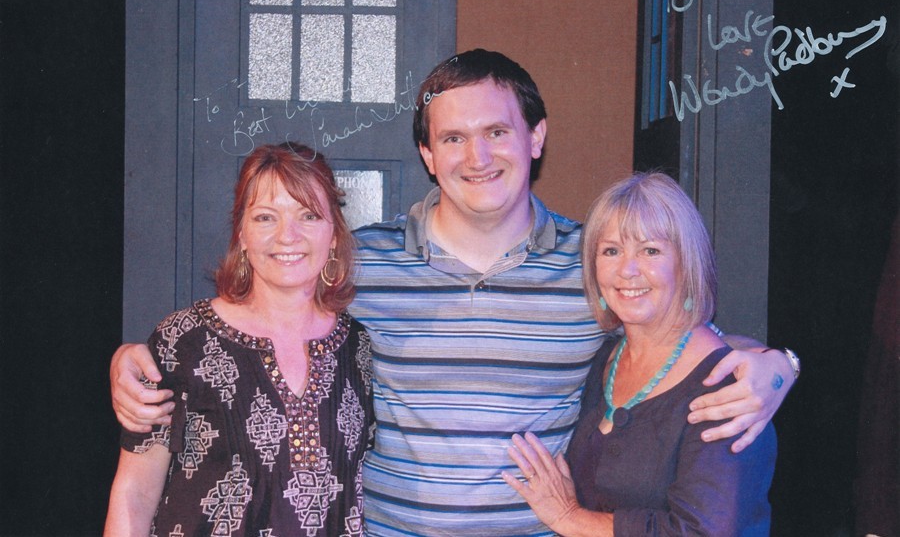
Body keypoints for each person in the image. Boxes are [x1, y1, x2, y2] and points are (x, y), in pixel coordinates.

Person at [110, 50, 795, 536]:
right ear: (429, 156)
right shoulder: (361, 264)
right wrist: (132, 360)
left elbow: (673, 335)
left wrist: (772, 364)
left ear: (536, 137)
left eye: (497, 132)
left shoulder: (593, 264)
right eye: (454, 138)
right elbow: (256, 319)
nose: (477, 157)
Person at [104, 143, 375, 536]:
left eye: (308, 215)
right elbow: (134, 493)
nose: (287, 236)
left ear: (334, 233)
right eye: (265, 217)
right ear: (242, 234)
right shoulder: (181, 341)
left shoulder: (359, 348)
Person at [503, 172, 776, 535]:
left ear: (686, 262)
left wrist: (570, 518)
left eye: (650, 251)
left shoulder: (729, 388)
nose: (627, 270)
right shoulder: (605, 359)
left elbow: (701, 532)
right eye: (611, 251)